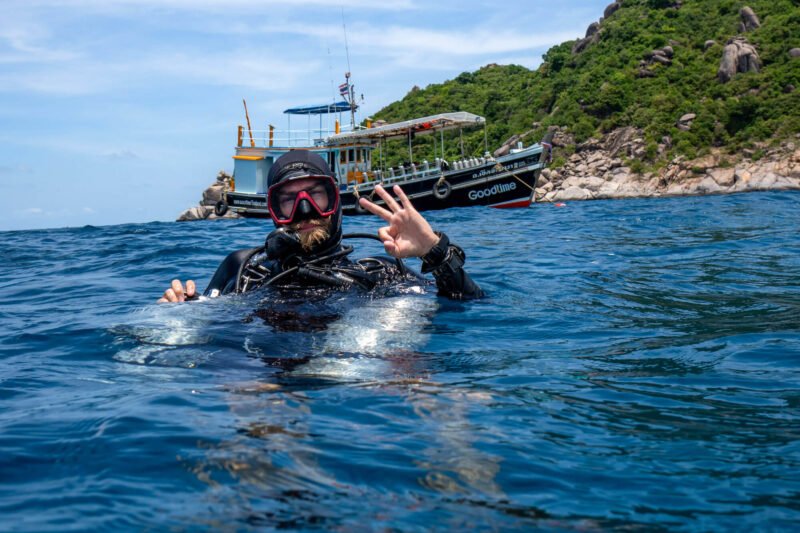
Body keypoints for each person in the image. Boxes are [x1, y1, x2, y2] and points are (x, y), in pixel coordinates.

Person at [158, 150, 483, 303]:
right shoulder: (243, 268)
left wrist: (436, 253)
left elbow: (469, 305)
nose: (304, 210)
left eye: (316, 195)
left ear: (335, 202)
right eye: (288, 199)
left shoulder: (379, 273)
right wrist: (176, 308)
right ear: (273, 209)